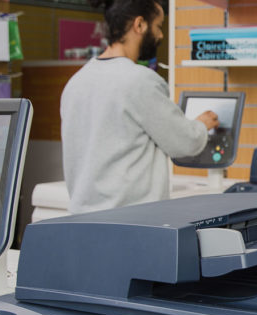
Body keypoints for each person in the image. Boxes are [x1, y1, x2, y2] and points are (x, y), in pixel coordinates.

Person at [61, 0, 219, 213]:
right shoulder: (140, 81)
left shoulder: (76, 82)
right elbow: (184, 142)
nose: (161, 35)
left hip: (84, 221)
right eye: (159, 26)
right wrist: (202, 124)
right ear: (140, 25)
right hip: (132, 222)